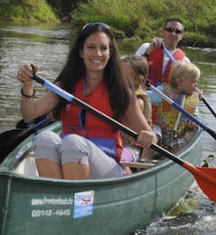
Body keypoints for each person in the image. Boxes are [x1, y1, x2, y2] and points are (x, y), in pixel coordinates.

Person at [16, 22, 157, 180]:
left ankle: (76, 199)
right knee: (44, 138)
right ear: (81, 52)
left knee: (73, 142)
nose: (97, 53)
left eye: (103, 48)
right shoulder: (66, 85)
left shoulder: (121, 89)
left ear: (110, 53)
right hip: (71, 156)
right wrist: (28, 86)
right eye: (90, 47)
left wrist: (148, 136)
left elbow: (150, 136)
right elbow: (30, 114)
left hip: (107, 166)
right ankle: (58, 196)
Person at [136, 18, 189, 123]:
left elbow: (187, 88)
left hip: (165, 106)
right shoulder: (146, 47)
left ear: (181, 36)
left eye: (177, 31)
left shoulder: (184, 61)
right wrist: (148, 52)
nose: (173, 33)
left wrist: (197, 92)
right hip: (141, 98)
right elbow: (132, 69)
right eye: (170, 29)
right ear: (163, 32)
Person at [151, 61, 202, 154]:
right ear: (180, 82)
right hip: (161, 132)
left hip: (179, 136)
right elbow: (145, 96)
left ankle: (166, 160)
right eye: (193, 82)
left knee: (181, 147)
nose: (196, 85)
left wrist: (193, 122)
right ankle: (144, 159)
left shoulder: (193, 98)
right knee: (152, 136)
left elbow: (194, 114)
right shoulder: (163, 92)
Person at [120, 55, 153, 170]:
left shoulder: (138, 101)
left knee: (119, 159)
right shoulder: (120, 93)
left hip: (132, 147)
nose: (118, 78)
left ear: (138, 79)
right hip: (116, 142)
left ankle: (126, 175)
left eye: (123, 75)